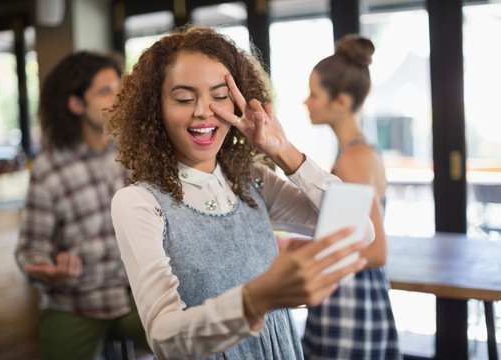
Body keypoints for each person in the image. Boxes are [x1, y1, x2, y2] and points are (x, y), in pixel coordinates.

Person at [105, 26, 374, 360]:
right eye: (185, 98)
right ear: (154, 109)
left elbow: (359, 228)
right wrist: (255, 300)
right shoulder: (139, 203)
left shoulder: (252, 181)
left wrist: (284, 151)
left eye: (219, 95)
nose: (203, 110)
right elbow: (163, 337)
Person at [15, 51, 151, 360]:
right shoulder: (50, 168)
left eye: (118, 87)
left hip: (135, 296)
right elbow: (30, 248)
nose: (118, 98)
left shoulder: (136, 153)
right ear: (76, 104)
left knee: (191, 343)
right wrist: (48, 271)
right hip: (74, 302)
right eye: (105, 91)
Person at [301, 35, 401, 359]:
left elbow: (375, 250)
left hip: (351, 308)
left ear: (341, 101)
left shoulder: (355, 158)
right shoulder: (353, 152)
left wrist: (305, 256)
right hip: (346, 302)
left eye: (314, 94)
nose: (307, 102)